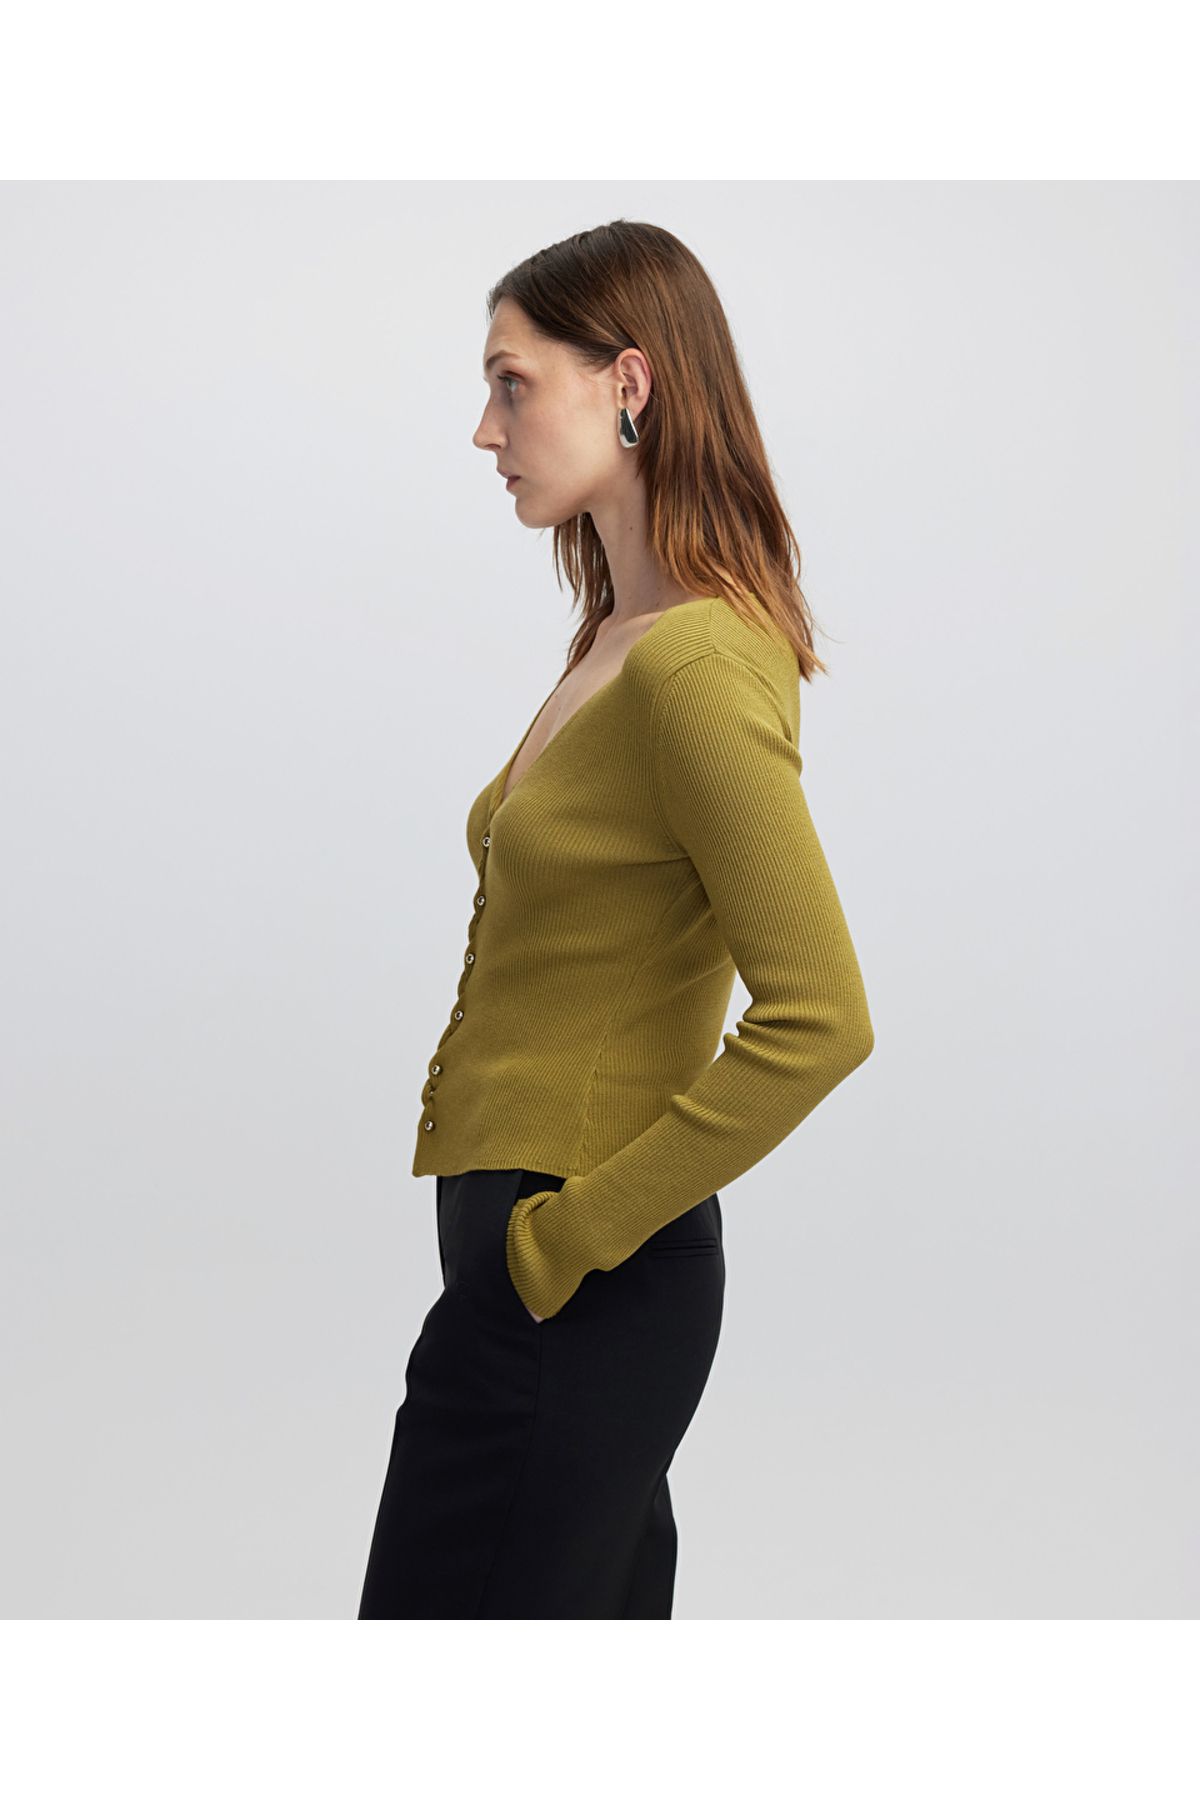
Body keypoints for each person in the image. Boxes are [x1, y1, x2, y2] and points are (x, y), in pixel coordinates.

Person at [357, 218, 875, 1619]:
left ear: (629, 382)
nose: (487, 430)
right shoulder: (613, 642)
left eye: (512, 384)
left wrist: (565, 1241)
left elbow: (822, 1020)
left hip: (581, 1284)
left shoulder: (694, 663)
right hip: (540, 1280)